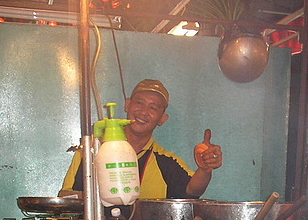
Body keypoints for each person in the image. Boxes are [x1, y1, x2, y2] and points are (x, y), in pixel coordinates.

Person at [60, 79, 222, 201]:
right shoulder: (93, 149)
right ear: (127, 105)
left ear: (162, 119)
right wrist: (103, 198)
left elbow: (192, 190)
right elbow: (66, 196)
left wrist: (205, 168)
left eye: (153, 108)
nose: (144, 112)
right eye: (139, 103)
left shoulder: (166, 161)